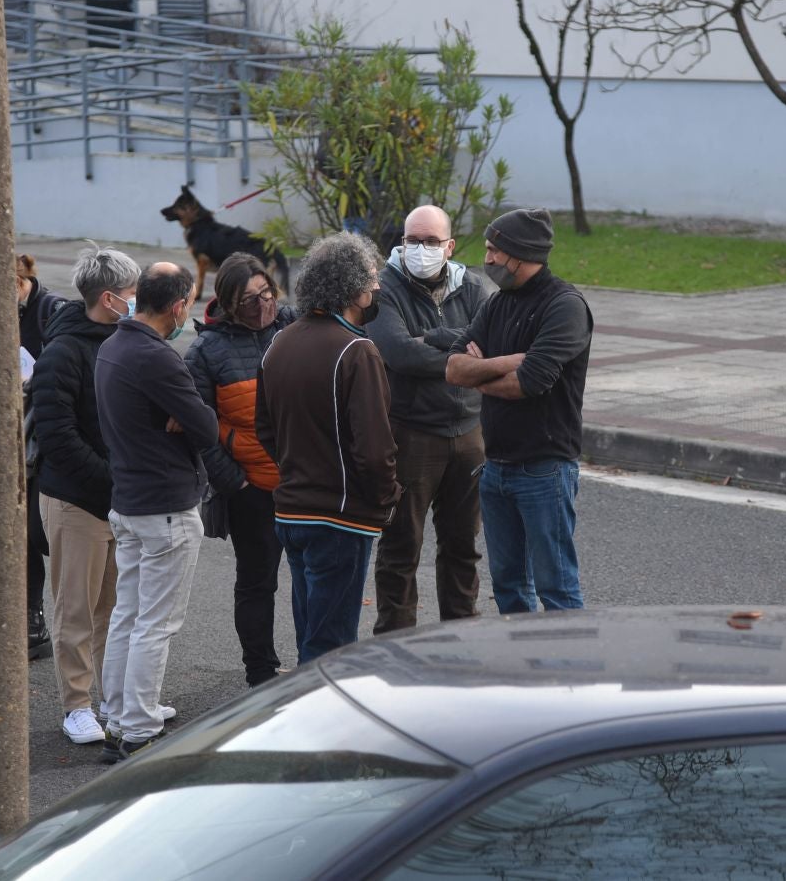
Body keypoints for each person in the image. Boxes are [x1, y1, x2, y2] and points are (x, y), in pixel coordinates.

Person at [255, 232, 401, 663]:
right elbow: (374, 450)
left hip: (291, 511)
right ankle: (318, 727)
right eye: (371, 279)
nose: (376, 288)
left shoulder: (279, 343)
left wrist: (296, 469)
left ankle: (303, 717)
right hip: (339, 519)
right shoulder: (357, 351)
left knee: (310, 633)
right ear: (350, 287)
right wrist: (387, 499)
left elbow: (265, 428)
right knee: (329, 649)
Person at [94, 262, 218, 762]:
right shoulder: (158, 360)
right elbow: (207, 429)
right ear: (179, 306)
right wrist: (187, 415)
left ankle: (121, 713)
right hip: (165, 506)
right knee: (155, 622)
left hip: (128, 502)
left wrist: (181, 416)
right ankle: (139, 727)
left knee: (128, 613)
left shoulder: (112, 348)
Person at [446, 207, 594, 614]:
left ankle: (568, 675)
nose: (487, 259)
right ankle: (523, 674)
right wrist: (509, 360)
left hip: (545, 470)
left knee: (557, 590)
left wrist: (485, 370)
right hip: (496, 468)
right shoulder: (497, 304)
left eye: (495, 250)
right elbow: (454, 368)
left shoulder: (564, 307)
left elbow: (529, 383)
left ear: (521, 253)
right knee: (509, 588)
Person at [32, 244, 141, 746]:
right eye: (130, 294)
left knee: (115, 607)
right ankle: (76, 705)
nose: (135, 301)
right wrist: (111, 477)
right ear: (108, 297)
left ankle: (112, 697)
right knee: (75, 608)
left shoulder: (122, 339)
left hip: (117, 498)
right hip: (76, 500)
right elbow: (58, 435)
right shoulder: (65, 351)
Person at [367, 205, 488, 633]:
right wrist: (459, 351)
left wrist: (432, 340)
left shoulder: (471, 286)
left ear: (449, 246)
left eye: (431, 241)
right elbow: (397, 352)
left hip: (469, 431)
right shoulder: (384, 289)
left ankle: (461, 634)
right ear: (402, 242)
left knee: (462, 545)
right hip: (411, 433)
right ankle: (396, 645)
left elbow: (491, 341)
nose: (421, 249)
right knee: (402, 546)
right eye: (413, 240)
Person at [184, 253, 297, 687]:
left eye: (266, 294)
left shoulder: (293, 327)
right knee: (256, 582)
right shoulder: (206, 351)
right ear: (228, 302)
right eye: (249, 300)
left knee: (310, 579)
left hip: (303, 483)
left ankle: (314, 663)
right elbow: (201, 430)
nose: (261, 305)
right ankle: (261, 671)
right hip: (253, 490)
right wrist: (236, 483)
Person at [16, 253, 64, 661]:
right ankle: (31, 619)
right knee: (20, 538)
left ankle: (59, 619)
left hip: (43, 443)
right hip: (9, 441)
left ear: (20, 281)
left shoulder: (51, 311)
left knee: (39, 532)